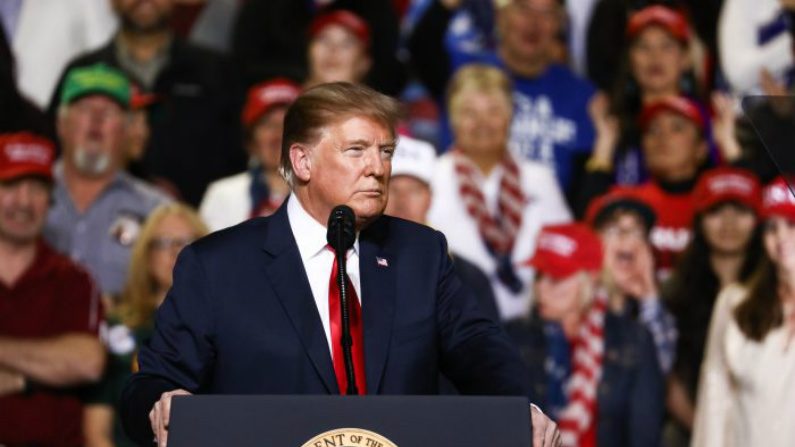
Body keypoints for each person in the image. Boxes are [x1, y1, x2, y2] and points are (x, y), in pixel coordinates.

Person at [120, 82, 561, 447]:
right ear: (302, 160)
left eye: (385, 151)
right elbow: (150, 385)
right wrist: (161, 400)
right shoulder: (217, 267)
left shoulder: (419, 255)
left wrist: (520, 409)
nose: (378, 168)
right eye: (356, 150)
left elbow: (481, 351)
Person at [48, 0, 245, 206]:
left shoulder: (216, 71)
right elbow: (54, 156)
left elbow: (240, 160)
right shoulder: (83, 72)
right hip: (95, 225)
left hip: (202, 227)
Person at [408, 0, 596, 198]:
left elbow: (583, 180)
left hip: (545, 212)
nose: (534, 23)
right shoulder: (466, 72)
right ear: (500, 16)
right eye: (524, 9)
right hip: (459, 203)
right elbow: (422, 44)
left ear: (559, 24)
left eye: (547, 14)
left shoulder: (582, 95)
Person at [427, 64, 571, 322]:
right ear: (453, 119)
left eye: (494, 111)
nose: (483, 123)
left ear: (510, 117)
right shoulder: (431, 177)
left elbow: (565, 252)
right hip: (455, 325)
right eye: (470, 112)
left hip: (532, 326)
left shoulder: (539, 178)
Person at [506, 223, 664, 447]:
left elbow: (645, 434)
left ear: (589, 280)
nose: (542, 288)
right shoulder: (514, 336)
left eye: (555, 279)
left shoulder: (633, 339)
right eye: (539, 276)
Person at [0, 131, 105, 446]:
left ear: (50, 201)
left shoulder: (73, 278)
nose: (24, 201)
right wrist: (43, 368)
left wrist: (18, 378)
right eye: (10, 186)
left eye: (37, 189)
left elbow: (87, 362)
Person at [84, 203, 208, 447]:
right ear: (146, 256)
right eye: (163, 243)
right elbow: (96, 429)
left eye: (186, 241)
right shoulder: (117, 326)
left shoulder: (224, 327)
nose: (176, 252)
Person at [44, 63, 169, 300]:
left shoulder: (157, 211)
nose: (96, 118)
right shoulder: (21, 200)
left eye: (109, 111)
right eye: (84, 108)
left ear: (127, 129)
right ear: (61, 124)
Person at [691, 176, 795, 446]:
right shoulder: (735, 303)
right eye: (772, 227)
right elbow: (714, 399)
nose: (781, 235)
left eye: (792, 224)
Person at [664, 166, 763, 444]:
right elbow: (667, 376)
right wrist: (707, 431)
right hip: (689, 429)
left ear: (759, 221)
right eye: (717, 210)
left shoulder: (777, 292)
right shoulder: (675, 291)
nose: (728, 223)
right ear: (699, 220)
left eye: (740, 211)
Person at [385, 134, 500, 322]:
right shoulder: (351, 265)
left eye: (414, 190)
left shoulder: (466, 278)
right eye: (392, 189)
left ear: (430, 198)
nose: (402, 201)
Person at [585, 187, 677, 375]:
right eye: (614, 230)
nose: (626, 238)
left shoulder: (656, 307)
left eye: (636, 232)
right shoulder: (573, 298)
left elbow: (661, 370)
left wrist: (649, 295)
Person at [231, 0, 406, 95]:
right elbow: (242, 65)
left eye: (346, 43)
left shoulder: (377, 10)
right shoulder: (264, 8)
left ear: (365, 63)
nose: (333, 51)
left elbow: (389, 71)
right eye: (323, 40)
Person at [200, 78, 301, 231]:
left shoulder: (324, 194)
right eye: (268, 124)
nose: (278, 135)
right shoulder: (223, 195)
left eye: (288, 124)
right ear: (251, 140)